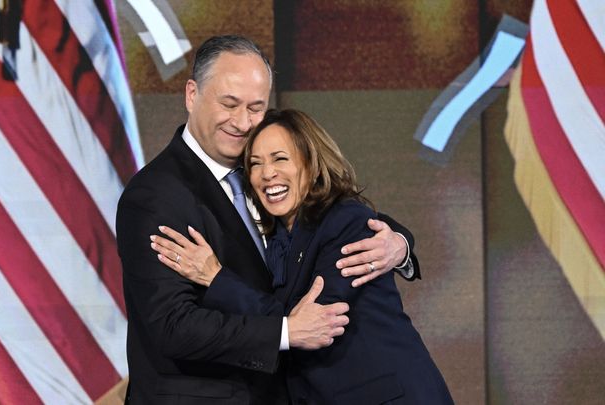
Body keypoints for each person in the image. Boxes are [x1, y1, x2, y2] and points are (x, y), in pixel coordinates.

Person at [117, 35, 418, 405]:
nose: (243, 122)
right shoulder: (156, 194)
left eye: (255, 107)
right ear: (192, 95)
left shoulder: (264, 177)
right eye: (229, 104)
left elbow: (333, 214)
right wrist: (286, 332)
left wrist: (399, 243)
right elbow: (172, 326)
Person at [154, 109, 453, 404]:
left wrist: (216, 278)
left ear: (310, 163)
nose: (267, 173)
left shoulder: (345, 221)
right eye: (255, 164)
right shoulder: (273, 237)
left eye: (280, 158)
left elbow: (311, 323)